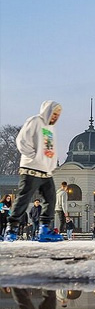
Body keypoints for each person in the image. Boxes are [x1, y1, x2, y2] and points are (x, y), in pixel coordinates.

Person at [4, 101, 64, 242]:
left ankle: (44, 229)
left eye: (58, 115)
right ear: (47, 111)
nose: (55, 117)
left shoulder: (51, 129)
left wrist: (51, 166)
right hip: (31, 169)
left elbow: (50, 151)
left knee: (51, 199)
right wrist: (33, 157)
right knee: (24, 198)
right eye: (54, 113)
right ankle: (11, 228)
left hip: (46, 171)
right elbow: (22, 140)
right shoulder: (35, 121)